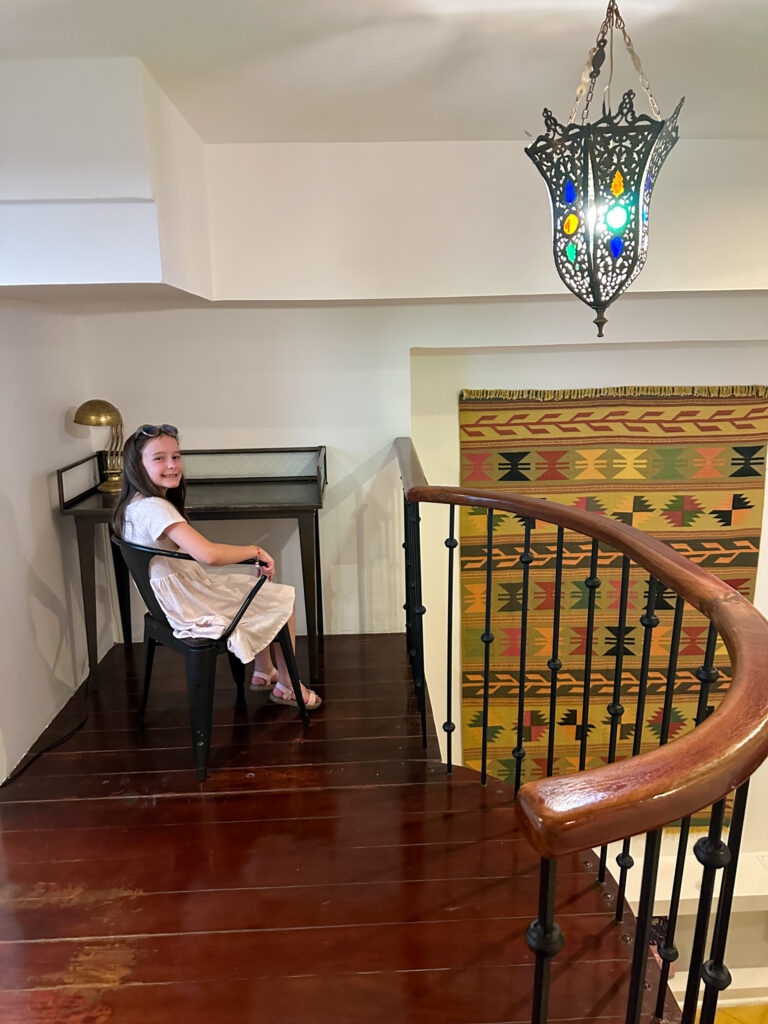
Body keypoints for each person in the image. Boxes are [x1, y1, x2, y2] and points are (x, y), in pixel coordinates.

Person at [113, 423, 321, 710]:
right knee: (282, 596)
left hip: (169, 600)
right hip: (186, 606)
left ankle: (264, 671)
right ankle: (287, 685)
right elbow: (207, 554)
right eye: (159, 458)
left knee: (252, 585)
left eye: (176, 456)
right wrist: (256, 550)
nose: (172, 465)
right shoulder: (155, 508)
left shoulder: (131, 504)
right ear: (137, 465)